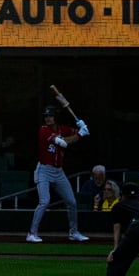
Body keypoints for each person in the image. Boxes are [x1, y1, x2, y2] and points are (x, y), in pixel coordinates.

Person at [26, 96, 90, 243]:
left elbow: (74, 133)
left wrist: (82, 127)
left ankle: (74, 232)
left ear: (55, 117)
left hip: (58, 171)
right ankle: (31, 233)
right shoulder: (43, 130)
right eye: (46, 116)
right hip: (44, 170)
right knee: (45, 201)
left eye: (50, 116)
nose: (48, 118)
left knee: (72, 202)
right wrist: (81, 134)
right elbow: (63, 143)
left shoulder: (63, 128)